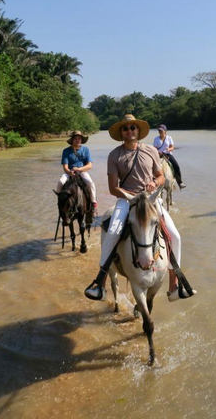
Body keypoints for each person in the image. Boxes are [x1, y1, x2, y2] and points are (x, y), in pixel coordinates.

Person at [84, 114, 196, 302]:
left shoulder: (151, 150)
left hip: (151, 200)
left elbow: (160, 176)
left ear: (138, 131)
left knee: (175, 236)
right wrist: (130, 195)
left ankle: (174, 285)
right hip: (126, 200)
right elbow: (113, 188)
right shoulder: (114, 155)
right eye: (126, 128)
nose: (130, 131)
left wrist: (154, 183)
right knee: (112, 232)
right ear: (121, 133)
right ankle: (101, 283)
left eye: (132, 128)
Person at [56, 130, 97, 214]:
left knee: (90, 183)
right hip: (69, 172)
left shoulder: (86, 150)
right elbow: (65, 167)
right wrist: (69, 172)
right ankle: (60, 202)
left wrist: (79, 169)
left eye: (79, 138)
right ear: (72, 140)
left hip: (81, 171)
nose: (77, 140)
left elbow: (89, 165)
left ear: (81, 140)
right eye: (75, 139)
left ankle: (93, 203)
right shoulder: (66, 151)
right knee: (60, 182)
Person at [152, 124, 186, 189]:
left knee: (176, 166)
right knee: (151, 166)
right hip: (158, 155)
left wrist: (168, 149)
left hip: (167, 154)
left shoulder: (169, 138)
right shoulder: (156, 139)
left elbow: (172, 147)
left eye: (161, 130)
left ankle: (180, 183)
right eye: (159, 130)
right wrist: (157, 152)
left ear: (165, 131)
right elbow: (154, 148)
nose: (160, 131)